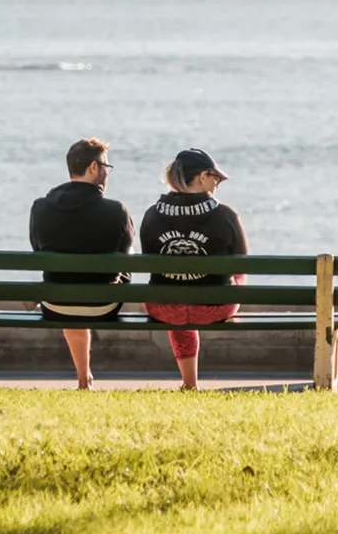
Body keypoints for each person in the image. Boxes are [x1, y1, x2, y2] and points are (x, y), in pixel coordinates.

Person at [139, 148, 248, 390]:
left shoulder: (152, 215)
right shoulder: (226, 215)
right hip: (215, 307)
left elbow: (150, 258)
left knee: (177, 294)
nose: (217, 184)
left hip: (165, 308)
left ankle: (189, 382)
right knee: (237, 273)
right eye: (215, 177)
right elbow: (242, 261)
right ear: (202, 177)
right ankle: (190, 383)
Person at [28, 138, 132, 389]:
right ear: (94, 167)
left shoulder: (40, 207)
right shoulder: (116, 211)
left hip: (56, 304)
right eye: (107, 167)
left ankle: (84, 377)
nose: (107, 173)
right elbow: (125, 256)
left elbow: (37, 249)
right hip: (103, 306)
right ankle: (85, 378)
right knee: (119, 268)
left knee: (67, 283)